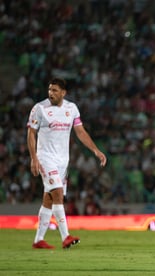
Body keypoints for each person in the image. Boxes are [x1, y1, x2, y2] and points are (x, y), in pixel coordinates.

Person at [27, 78, 107, 249]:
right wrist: (34, 158)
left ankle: (38, 240)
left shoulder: (71, 108)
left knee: (49, 198)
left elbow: (80, 131)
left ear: (63, 93)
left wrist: (95, 150)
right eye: (50, 90)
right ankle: (66, 236)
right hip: (45, 157)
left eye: (55, 90)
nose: (51, 93)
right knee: (57, 193)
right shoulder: (39, 108)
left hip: (63, 160)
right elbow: (31, 133)